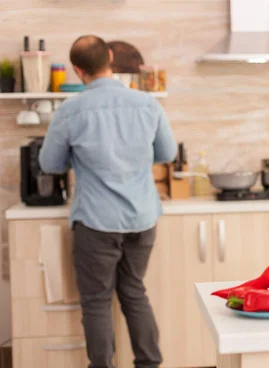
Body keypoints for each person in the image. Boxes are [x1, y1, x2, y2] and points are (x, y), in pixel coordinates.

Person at [39, 35, 177, 368]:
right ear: (111, 58)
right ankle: (149, 363)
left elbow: (49, 164)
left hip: (96, 222)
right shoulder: (147, 104)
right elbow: (167, 154)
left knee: (97, 302)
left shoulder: (70, 111)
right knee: (134, 292)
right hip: (142, 218)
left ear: (77, 70)